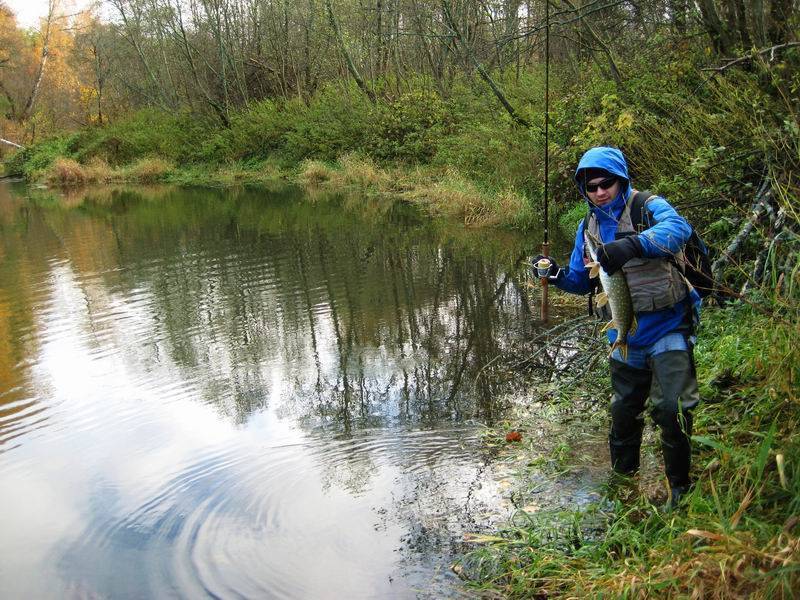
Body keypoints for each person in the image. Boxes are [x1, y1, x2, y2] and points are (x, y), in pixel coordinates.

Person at [534, 146, 701, 509]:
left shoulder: (647, 207)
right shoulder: (588, 227)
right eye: (591, 187)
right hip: (624, 334)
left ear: (620, 179)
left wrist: (634, 245)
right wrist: (556, 274)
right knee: (624, 412)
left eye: (606, 183)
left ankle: (680, 489)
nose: (599, 192)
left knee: (672, 408)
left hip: (668, 324)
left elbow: (678, 230)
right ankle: (624, 485)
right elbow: (583, 281)